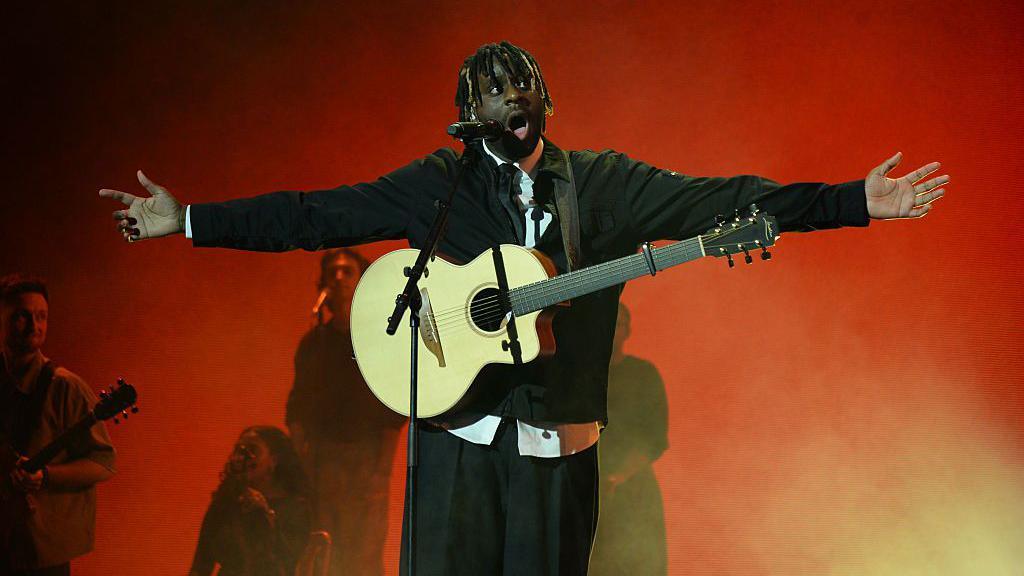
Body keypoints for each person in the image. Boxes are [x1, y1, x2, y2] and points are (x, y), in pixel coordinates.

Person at [100, 41, 948, 576]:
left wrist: (852, 201)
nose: (507, 124)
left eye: (518, 108)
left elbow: (720, 197)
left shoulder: (604, 185)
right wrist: (189, 219)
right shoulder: (442, 184)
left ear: (538, 106)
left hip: (555, 451)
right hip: (454, 446)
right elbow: (314, 215)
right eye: (491, 114)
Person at [285, 248, 404, 576]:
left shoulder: (377, 340)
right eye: (332, 272)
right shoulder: (314, 343)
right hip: (322, 460)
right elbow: (298, 404)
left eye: (347, 271)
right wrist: (301, 456)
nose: (338, 278)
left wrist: (381, 470)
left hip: (364, 459)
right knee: (322, 547)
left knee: (362, 550)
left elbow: (391, 411)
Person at [0, 274, 117, 576]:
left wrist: (47, 476)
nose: (34, 326)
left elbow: (103, 463)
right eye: (23, 316)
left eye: (41, 317)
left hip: (39, 553)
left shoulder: (65, 387)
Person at [590, 303, 669, 576]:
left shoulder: (643, 374)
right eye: (607, 322)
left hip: (634, 493)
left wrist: (619, 478)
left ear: (628, 330)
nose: (612, 330)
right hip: (589, 491)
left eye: (619, 323)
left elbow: (655, 437)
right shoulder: (584, 375)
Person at [189, 425, 312, 576]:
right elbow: (201, 566)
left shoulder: (295, 508)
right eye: (239, 450)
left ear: (273, 461)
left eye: (253, 450)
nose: (242, 457)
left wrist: (265, 515)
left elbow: (287, 563)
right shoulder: (225, 504)